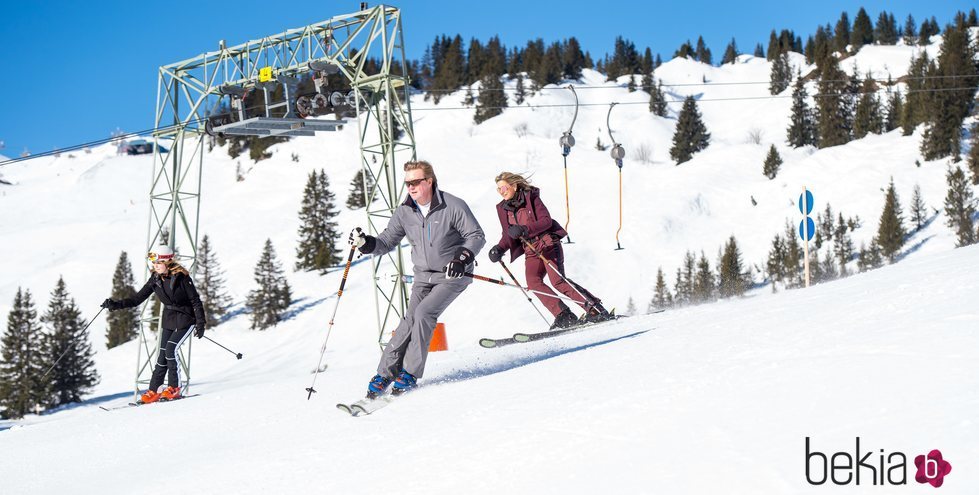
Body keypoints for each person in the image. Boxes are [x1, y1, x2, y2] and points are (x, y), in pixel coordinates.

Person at [349, 160, 485, 398]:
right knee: (409, 321)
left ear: (429, 181)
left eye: (415, 182)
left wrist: (462, 258)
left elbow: (475, 235)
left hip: (452, 275)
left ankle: (410, 373)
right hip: (423, 277)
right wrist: (366, 244)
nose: (410, 187)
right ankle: (384, 374)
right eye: (407, 183)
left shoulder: (452, 205)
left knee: (424, 314)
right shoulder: (405, 211)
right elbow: (386, 241)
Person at [487, 172, 611, 329]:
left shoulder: (531, 197)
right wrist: (499, 248)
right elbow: (509, 234)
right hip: (530, 249)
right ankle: (564, 315)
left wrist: (525, 229)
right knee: (533, 282)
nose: (501, 192)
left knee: (557, 281)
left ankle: (595, 310)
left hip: (546, 243)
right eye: (498, 189)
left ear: (514, 186)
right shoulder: (503, 209)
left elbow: (546, 221)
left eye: (503, 187)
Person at [101, 245, 207, 403]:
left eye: (158, 262)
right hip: (169, 319)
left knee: (171, 350)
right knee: (162, 355)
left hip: (186, 319)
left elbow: (195, 301)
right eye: (154, 263)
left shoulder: (182, 278)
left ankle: (174, 388)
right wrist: (116, 305)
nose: (155, 265)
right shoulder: (155, 279)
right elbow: (137, 299)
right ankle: (154, 390)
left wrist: (200, 323)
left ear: (168, 261)